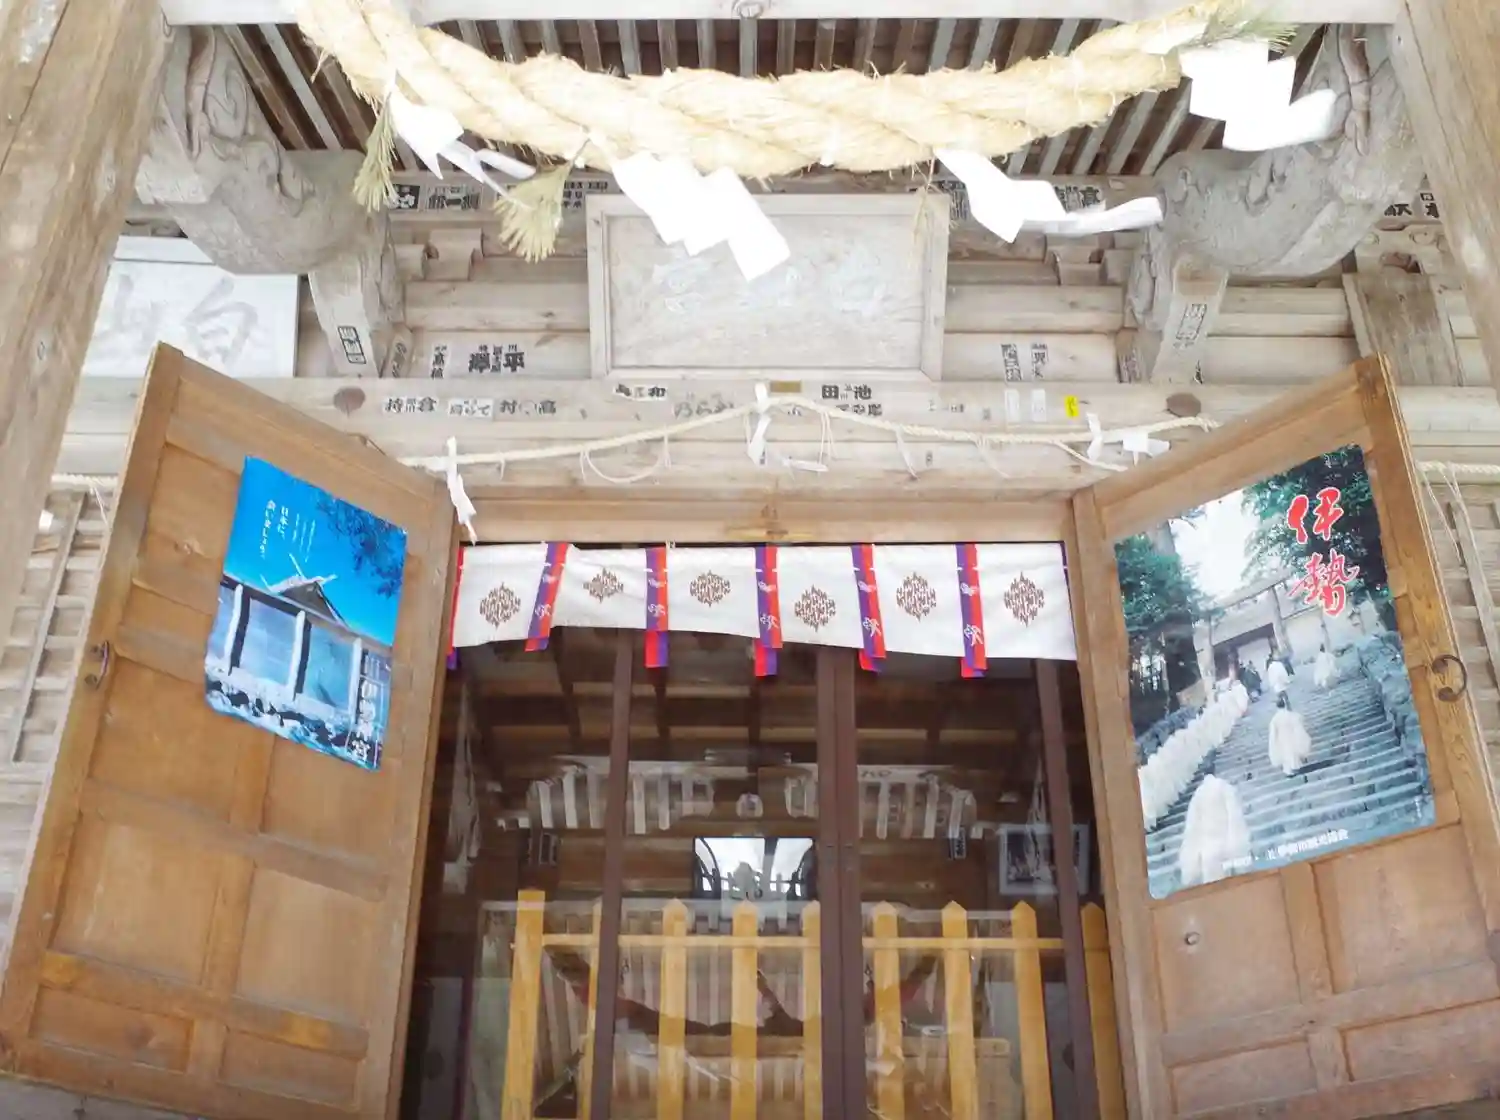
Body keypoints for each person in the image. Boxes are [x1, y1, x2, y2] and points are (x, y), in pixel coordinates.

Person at [1178, 775, 1252, 888]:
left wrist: (1192, 861)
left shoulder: (1198, 794)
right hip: (1224, 845)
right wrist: (1237, 847)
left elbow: (1192, 828)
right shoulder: (1224, 787)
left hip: (1206, 851)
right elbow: (1235, 817)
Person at [1267, 694, 1314, 776]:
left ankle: (1289, 770)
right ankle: (1296, 767)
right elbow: (1298, 725)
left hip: (1282, 739)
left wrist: (1274, 743)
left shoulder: (1274, 719)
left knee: (1286, 754)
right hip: (1292, 736)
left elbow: (1273, 734)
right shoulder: (1291, 715)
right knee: (1293, 753)